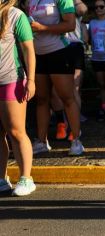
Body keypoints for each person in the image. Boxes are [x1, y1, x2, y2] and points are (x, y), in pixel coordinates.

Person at [28, 0, 84, 156]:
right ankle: (41, 141)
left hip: (59, 51)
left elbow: (70, 25)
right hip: (37, 54)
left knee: (67, 98)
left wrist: (43, 28)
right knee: (41, 99)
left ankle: (76, 140)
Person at [0, 0, 36, 196]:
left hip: (11, 79)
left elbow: (28, 49)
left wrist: (30, 80)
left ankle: (26, 178)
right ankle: (1, 178)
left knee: (16, 131)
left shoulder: (16, 15)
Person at [52, 0, 89, 141]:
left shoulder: (71, 2)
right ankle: (62, 124)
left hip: (74, 46)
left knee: (74, 89)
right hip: (55, 46)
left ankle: (75, 128)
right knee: (55, 90)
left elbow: (82, 9)